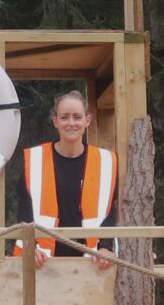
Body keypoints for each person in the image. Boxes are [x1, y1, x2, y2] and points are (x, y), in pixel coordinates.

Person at [19, 90, 117, 265]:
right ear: (55, 121)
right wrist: (30, 247)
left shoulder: (106, 161)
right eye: (64, 117)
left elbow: (112, 211)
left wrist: (106, 247)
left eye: (77, 117)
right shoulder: (34, 159)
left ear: (87, 120)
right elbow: (24, 210)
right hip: (42, 261)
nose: (71, 123)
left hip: (93, 261)